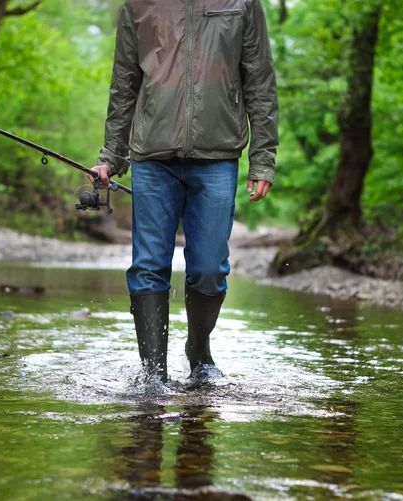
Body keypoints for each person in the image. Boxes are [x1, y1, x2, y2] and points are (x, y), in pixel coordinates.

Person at [89, 0, 278, 383]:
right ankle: (153, 375)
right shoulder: (139, 5)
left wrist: (263, 158)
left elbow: (259, 79)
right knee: (147, 267)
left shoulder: (243, 3)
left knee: (209, 270)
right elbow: (124, 81)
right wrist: (111, 154)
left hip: (218, 154)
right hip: (151, 158)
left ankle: (199, 350)